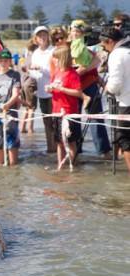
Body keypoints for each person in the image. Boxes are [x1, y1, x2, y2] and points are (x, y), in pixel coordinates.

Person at [69, 20, 111, 157]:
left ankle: (103, 150)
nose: (76, 34)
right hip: (73, 88)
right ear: (70, 32)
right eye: (74, 31)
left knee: (96, 118)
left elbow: (97, 63)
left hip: (90, 85)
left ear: (83, 33)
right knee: (74, 120)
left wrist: (104, 85)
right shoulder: (65, 49)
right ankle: (76, 150)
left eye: (78, 31)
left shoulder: (89, 49)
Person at [45, 45, 82, 170]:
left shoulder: (72, 74)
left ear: (63, 58)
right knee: (59, 142)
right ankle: (60, 166)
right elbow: (53, 88)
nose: (53, 61)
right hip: (56, 111)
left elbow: (78, 92)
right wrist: (49, 89)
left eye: (55, 58)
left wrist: (62, 89)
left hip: (69, 112)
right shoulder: (56, 72)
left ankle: (73, 166)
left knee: (70, 141)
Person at [101, 26, 130, 173]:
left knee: (125, 140)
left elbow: (116, 83)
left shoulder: (116, 55)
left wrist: (108, 89)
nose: (104, 48)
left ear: (110, 41)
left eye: (104, 45)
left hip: (126, 102)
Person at [28, 25, 55, 153]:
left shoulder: (53, 51)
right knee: (46, 121)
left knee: (55, 122)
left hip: (54, 91)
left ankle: (56, 147)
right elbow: (34, 74)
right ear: (36, 39)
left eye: (44, 35)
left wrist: (41, 69)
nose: (42, 38)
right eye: (40, 36)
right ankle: (50, 147)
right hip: (41, 92)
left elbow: (55, 73)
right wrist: (30, 71)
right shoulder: (35, 53)